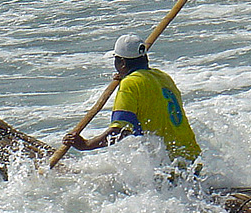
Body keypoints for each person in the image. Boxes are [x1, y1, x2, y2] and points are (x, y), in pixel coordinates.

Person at [63, 34, 202, 170]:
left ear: (122, 63)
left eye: (116, 60)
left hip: (168, 165)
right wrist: (125, 76)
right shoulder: (163, 77)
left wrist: (86, 145)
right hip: (192, 157)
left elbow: (120, 130)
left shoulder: (130, 84)